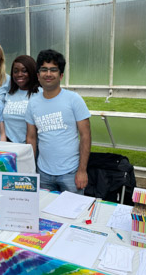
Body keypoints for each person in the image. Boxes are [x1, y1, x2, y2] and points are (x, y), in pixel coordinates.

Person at [25, 49, 91, 194]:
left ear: (60, 75)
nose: (48, 74)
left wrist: (82, 170)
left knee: (72, 213)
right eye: (44, 70)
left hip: (71, 173)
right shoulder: (33, 103)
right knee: (44, 211)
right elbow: (31, 137)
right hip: (43, 174)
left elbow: (85, 136)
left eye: (53, 70)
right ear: (38, 75)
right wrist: (31, 170)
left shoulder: (74, 99)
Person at [3, 55, 41, 143]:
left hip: (32, 146)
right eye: (15, 71)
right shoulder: (9, 94)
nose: (19, 74)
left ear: (32, 71)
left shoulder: (40, 94)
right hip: (10, 147)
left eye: (24, 71)